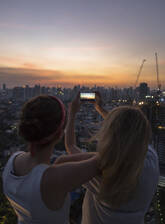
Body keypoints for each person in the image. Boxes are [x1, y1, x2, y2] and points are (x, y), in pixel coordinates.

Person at [2, 95, 99, 224]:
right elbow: (105, 159)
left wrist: (61, 160)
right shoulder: (53, 178)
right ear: (59, 135)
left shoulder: (12, 161)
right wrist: (74, 113)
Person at [65, 92, 160, 224]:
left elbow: (71, 147)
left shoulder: (103, 169)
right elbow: (128, 131)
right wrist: (100, 109)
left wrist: (72, 114)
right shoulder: (150, 160)